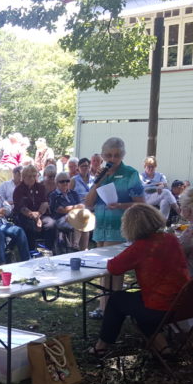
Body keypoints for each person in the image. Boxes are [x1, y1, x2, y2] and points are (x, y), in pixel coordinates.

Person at [88, 204, 189, 357]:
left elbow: (114, 268)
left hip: (160, 305)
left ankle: (101, 345)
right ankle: (163, 349)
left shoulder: (141, 247)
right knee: (135, 303)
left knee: (117, 300)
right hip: (183, 300)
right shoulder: (170, 238)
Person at [85, 137, 146, 320]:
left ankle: (114, 309)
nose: (113, 159)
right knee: (104, 270)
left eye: (117, 155)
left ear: (123, 155)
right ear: (103, 156)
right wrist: (98, 182)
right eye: (109, 155)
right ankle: (104, 306)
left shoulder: (130, 174)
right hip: (101, 227)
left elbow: (141, 203)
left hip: (119, 227)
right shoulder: (101, 175)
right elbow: (88, 203)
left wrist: (120, 205)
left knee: (115, 270)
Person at [13, 165, 56, 250]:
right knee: (30, 225)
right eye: (29, 176)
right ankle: (31, 252)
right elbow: (21, 208)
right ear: (24, 177)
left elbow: (45, 203)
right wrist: (35, 218)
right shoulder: (19, 190)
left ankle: (48, 250)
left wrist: (39, 215)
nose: (32, 178)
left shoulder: (40, 187)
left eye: (34, 176)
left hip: (40, 214)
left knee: (51, 223)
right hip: (25, 216)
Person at [50, 172, 90, 251]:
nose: (65, 183)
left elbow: (81, 206)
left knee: (84, 224)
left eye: (67, 181)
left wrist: (73, 209)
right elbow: (60, 210)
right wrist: (74, 207)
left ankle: (82, 248)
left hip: (75, 217)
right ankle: (76, 245)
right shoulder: (54, 195)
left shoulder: (73, 193)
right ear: (57, 183)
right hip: (60, 219)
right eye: (62, 181)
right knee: (78, 219)